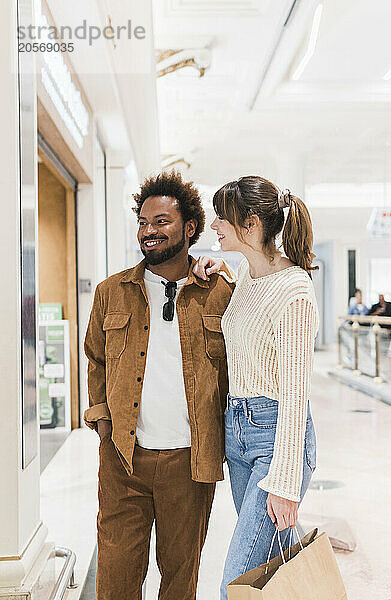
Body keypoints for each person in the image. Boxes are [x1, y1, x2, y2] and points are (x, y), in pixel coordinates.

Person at [83, 171, 235, 600]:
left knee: (179, 581)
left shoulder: (219, 292)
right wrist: (103, 421)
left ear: (190, 228)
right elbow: (95, 357)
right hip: (123, 461)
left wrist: (227, 269)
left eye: (161, 222)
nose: (149, 231)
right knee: (115, 580)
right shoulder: (112, 293)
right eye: (144, 222)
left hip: (190, 464)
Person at [193, 177, 319, 600]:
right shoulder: (250, 273)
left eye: (221, 218)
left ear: (249, 225)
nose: (214, 225)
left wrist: (285, 482)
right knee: (269, 563)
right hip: (238, 432)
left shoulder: (295, 290)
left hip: (274, 437)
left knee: (237, 579)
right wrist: (220, 269)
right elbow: (249, 320)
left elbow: (296, 393)